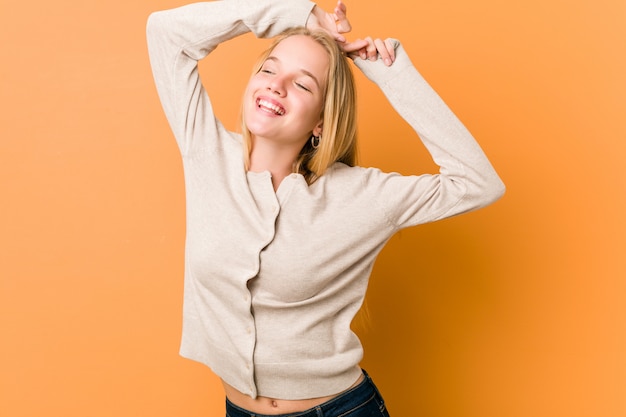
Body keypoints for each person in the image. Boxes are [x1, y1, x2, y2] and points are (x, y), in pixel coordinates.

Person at [146, 0, 505, 416]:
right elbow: (166, 32)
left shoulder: (361, 195)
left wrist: (394, 78)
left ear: (321, 121)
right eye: (268, 69)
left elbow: (477, 183)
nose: (276, 86)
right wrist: (297, 14)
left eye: (302, 85)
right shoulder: (206, 152)